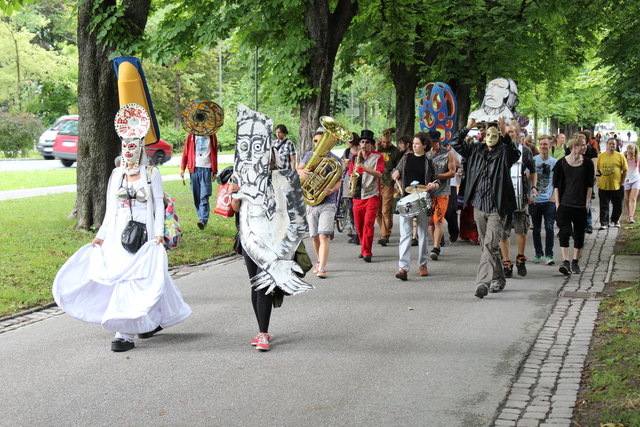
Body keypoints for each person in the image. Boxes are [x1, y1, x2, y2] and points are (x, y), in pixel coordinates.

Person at [53, 137, 191, 353]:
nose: (128, 150)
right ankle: (135, 326)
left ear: (141, 149)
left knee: (142, 278)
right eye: (125, 146)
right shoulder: (117, 174)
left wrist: (157, 235)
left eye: (133, 146)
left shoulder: (151, 173)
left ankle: (130, 330)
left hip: (145, 234)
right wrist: (102, 235)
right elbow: (112, 209)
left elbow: (157, 205)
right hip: (120, 233)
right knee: (129, 277)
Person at [451, 117, 520, 298]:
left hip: (498, 207)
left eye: (494, 134)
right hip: (479, 205)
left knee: (490, 244)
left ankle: (482, 283)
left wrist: (505, 134)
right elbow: (455, 142)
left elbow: (515, 153)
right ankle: (499, 278)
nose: (491, 137)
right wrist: (467, 127)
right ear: (483, 136)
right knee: (486, 245)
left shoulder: (504, 153)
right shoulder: (475, 150)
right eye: (488, 133)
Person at [391, 133, 439, 280]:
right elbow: (395, 170)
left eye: (417, 143)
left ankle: (422, 264)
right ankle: (403, 268)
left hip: (422, 200)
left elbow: (436, 181)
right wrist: (396, 173)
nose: (414, 146)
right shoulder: (406, 158)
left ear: (425, 145)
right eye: (413, 143)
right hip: (407, 200)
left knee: (423, 234)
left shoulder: (429, 161)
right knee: (405, 234)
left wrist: (433, 185)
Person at [297, 129, 342, 278]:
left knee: (324, 236)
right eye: (315, 141)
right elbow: (298, 169)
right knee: (314, 236)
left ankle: (322, 266)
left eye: (320, 141)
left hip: (328, 202)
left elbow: (339, 181)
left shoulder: (335, 159)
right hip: (312, 202)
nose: (317, 144)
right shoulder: (310, 155)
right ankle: (319, 261)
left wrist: (332, 189)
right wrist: (301, 172)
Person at [553, 133, 594, 275]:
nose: (585, 147)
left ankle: (575, 261)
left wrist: (587, 203)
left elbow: (590, 185)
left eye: (585, 144)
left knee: (579, 234)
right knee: (564, 232)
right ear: (574, 147)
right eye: (582, 145)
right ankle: (565, 262)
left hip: (580, 205)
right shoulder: (561, 163)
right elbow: (556, 185)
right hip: (565, 204)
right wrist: (558, 203)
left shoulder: (588, 163)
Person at [500, 122, 537, 278]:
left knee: (522, 229)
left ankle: (520, 259)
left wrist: (533, 188)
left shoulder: (525, 151)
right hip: (504, 197)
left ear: (517, 133)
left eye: (511, 132)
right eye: (506, 132)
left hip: (520, 196)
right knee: (503, 232)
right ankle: (507, 262)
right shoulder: (500, 150)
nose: (509, 135)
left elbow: (533, 171)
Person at [348, 130, 384, 262]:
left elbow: (380, 174)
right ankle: (363, 247)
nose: (364, 144)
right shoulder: (354, 157)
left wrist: (365, 168)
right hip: (357, 194)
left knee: (368, 223)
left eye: (367, 142)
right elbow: (351, 174)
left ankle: (367, 252)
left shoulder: (378, 157)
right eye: (362, 142)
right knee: (359, 225)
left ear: (372, 144)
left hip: (372, 194)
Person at [426, 130, 456, 260]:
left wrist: (437, 176)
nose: (432, 145)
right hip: (428, 193)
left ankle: (436, 248)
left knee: (438, 221)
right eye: (430, 142)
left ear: (439, 141)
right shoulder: (426, 155)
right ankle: (435, 243)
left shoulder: (448, 154)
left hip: (442, 192)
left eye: (434, 142)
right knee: (431, 223)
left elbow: (452, 172)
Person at [180, 132, 218, 229]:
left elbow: (214, 152)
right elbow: (185, 152)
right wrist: (182, 168)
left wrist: (214, 170)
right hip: (194, 169)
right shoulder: (191, 136)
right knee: (196, 195)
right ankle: (200, 216)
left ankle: (203, 219)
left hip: (206, 168)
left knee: (204, 195)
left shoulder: (212, 135)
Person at [529, 135, 557, 265]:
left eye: (545, 144)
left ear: (550, 145)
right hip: (535, 200)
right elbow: (527, 179)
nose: (543, 147)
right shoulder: (533, 160)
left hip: (549, 200)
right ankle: (538, 253)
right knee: (536, 229)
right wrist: (529, 196)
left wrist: (554, 198)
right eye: (541, 144)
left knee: (550, 228)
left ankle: (549, 254)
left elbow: (557, 183)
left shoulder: (555, 162)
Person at [376, 127, 402, 246]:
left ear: (391, 140)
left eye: (387, 142)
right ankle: (385, 230)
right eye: (383, 142)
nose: (385, 144)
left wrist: (397, 184)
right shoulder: (377, 149)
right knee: (377, 212)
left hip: (388, 183)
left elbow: (398, 168)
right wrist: (377, 148)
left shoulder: (396, 151)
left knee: (386, 210)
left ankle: (384, 235)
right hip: (375, 184)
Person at [597, 137, 628, 229]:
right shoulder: (601, 156)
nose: (612, 145)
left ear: (616, 145)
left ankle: (615, 220)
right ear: (607, 145)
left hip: (617, 185)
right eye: (610, 143)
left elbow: (625, 170)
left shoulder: (620, 156)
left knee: (618, 205)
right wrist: (598, 180)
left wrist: (622, 182)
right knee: (604, 205)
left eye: (613, 144)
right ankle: (604, 223)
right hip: (603, 185)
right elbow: (597, 169)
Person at [341, 133, 360, 243]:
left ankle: (359, 233)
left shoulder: (360, 152)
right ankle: (354, 232)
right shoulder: (347, 152)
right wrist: (345, 166)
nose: (346, 142)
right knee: (350, 209)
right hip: (349, 182)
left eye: (347, 140)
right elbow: (344, 168)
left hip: (359, 183)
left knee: (358, 209)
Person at [623, 144, 639, 223]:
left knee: (633, 198)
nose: (630, 155)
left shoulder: (638, 158)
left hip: (636, 179)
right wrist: (624, 156)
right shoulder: (624, 157)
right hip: (626, 180)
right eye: (629, 153)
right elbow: (621, 168)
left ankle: (631, 217)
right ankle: (629, 214)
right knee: (627, 198)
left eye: (632, 153)